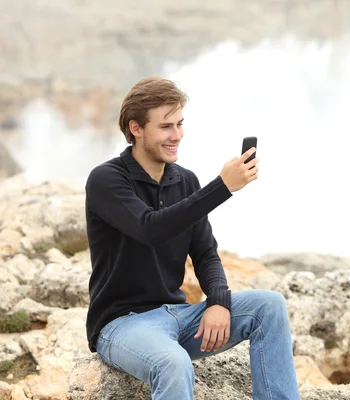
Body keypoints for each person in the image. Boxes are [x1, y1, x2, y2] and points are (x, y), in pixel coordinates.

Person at [84, 76, 301, 399]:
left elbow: (205, 252)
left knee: (269, 306)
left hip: (179, 316)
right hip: (122, 325)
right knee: (173, 362)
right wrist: (222, 186)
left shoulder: (184, 180)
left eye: (180, 124)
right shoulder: (107, 180)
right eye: (166, 126)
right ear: (136, 128)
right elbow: (151, 229)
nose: (177, 135)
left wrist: (218, 301)